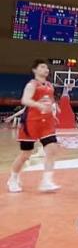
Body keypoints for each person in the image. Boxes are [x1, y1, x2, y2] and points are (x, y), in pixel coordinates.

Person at [7, 59, 60, 193]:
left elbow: (50, 100)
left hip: (46, 123)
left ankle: (46, 181)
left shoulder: (50, 86)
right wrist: (38, 105)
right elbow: (25, 100)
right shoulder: (32, 85)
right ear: (35, 70)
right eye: (42, 67)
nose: (45, 69)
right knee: (26, 154)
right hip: (31, 122)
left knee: (52, 149)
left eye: (46, 67)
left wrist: (54, 110)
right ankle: (13, 178)